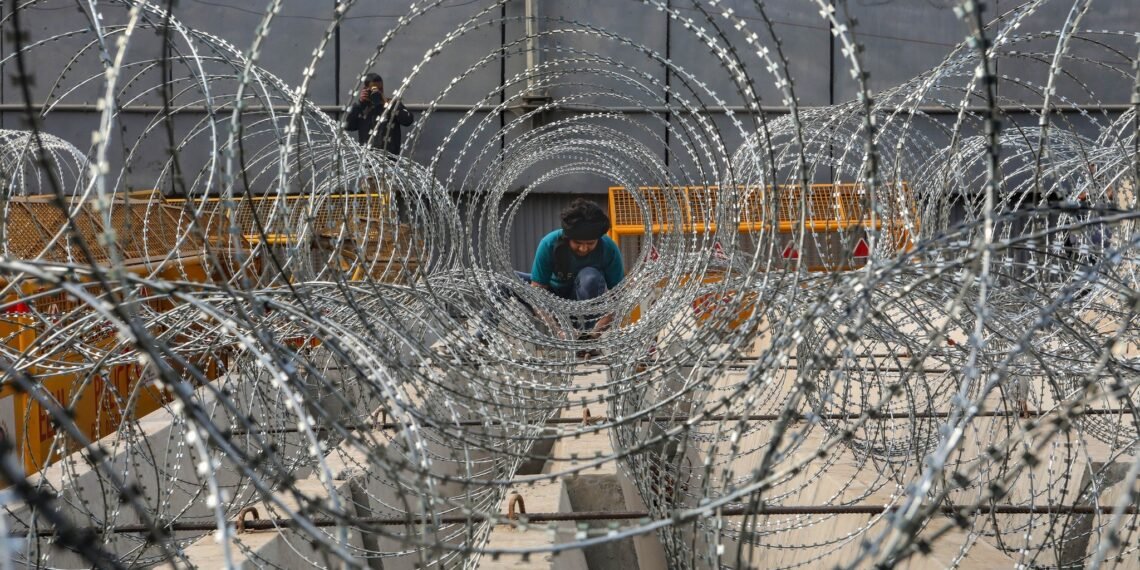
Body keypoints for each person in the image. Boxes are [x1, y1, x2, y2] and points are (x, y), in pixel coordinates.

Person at [523, 198, 624, 333]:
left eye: (590, 244)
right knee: (503, 282)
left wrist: (595, 333)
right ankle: (485, 343)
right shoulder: (549, 244)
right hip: (551, 294)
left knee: (590, 277)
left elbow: (620, 297)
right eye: (577, 243)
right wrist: (559, 331)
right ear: (567, 237)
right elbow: (537, 290)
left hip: (583, 300)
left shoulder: (608, 249)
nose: (583, 248)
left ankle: (584, 332)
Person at [344, 72, 414, 156]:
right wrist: (360, 104)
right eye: (373, 90)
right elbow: (348, 126)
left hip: (388, 160)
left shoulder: (392, 104)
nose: (378, 92)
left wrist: (387, 103)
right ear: (366, 90)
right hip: (368, 160)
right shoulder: (362, 108)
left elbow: (408, 120)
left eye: (380, 89)